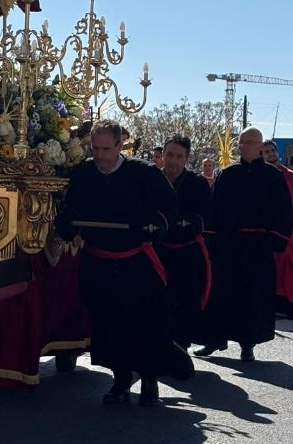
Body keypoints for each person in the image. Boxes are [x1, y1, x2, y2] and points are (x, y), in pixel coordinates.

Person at [56, 120, 190, 407]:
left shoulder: (144, 173)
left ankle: (150, 381)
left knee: (146, 325)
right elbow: (71, 210)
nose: (101, 155)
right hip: (98, 263)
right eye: (95, 148)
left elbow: (168, 207)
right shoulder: (83, 173)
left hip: (136, 265)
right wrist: (66, 224)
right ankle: (120, 381)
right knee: (108, 325)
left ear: (119, 146)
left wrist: (155, 224)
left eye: (106, 148)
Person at [196, 127, 292, 362]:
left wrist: (274, 240)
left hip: (257, 245)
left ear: (259, 146)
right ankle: (214, 338)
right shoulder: (227, 174)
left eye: (248, 142)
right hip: (228, 244)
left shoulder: (273, 176)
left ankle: (247, 344)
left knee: (252, 295)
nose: (244, 146)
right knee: (220, 292)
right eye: (242, 142)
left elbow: (283, 211)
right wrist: (211, 239)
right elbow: (214, 208)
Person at [159, 135, 213, 349]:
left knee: (186, 300)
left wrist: (186, 222)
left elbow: (204, 215)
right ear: (163, 155)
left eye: (179, 156)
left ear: (186, 158)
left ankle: (181, 346)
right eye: (170, 154)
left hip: (187, 252)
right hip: (158, 252)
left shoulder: (197, 183)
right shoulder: (152, 179)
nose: (173, 160)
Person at [261, 138, 293, 316]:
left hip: (287, 228)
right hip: (266, 229)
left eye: (272, 151)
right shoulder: (260, 176)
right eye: (266, 152)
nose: (270, 154)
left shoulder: (289, 175)